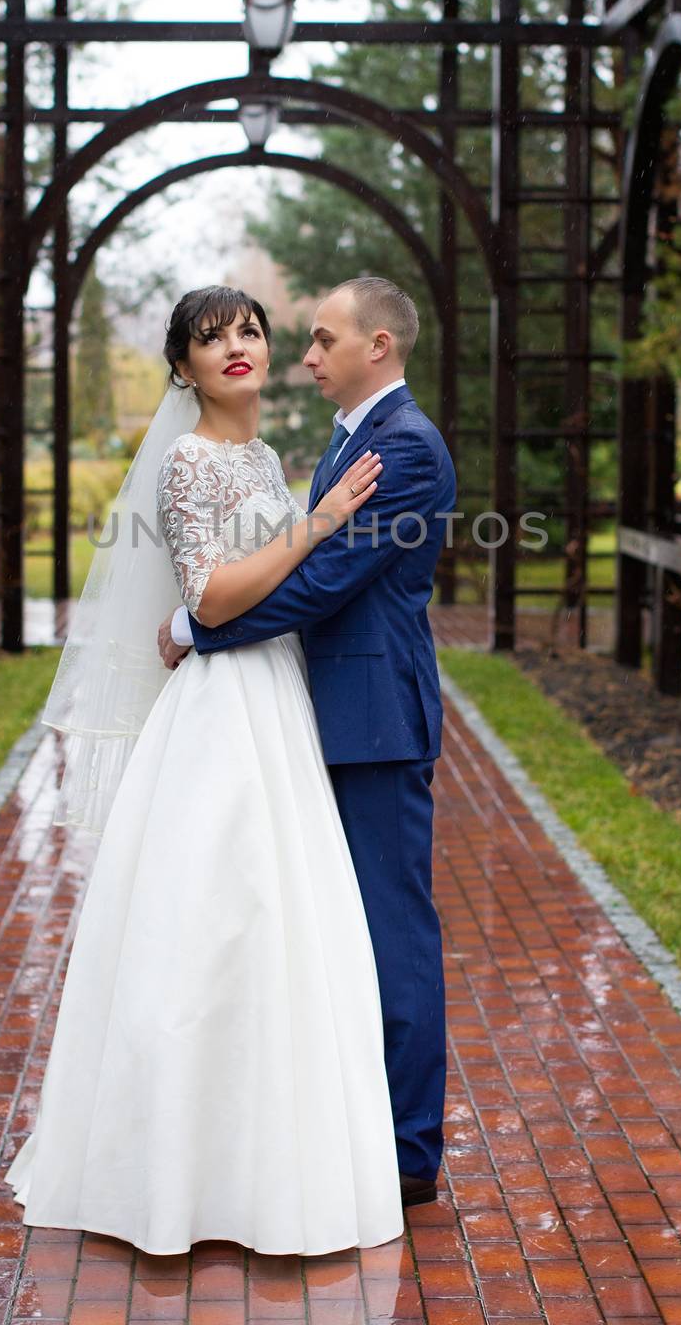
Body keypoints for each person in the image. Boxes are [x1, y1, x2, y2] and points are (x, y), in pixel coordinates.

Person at [4, 284, 406, 1256]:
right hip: (221, 709)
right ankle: (173, 1168)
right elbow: (212, 598)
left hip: (279, 700)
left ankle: (263, 1157)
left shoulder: (266, 456)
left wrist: (304, 519)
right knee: (211, 917)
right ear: (182, 367)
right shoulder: (187, 461)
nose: (236, 346)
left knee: (279, 919)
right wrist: (313, 524)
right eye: (209, 337)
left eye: (249, 331)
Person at [160, 276, 457, 1208]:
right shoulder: (345, 441)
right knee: (325, 926)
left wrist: (196, 630)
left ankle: (409, 1154)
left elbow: (324, 580)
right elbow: (304, 556)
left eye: (322, 340)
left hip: (371, 721)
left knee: (392, 934)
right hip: (315, 712)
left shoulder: (402, 449)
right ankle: (342, 1121)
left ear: (377, 346)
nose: (305, 355)